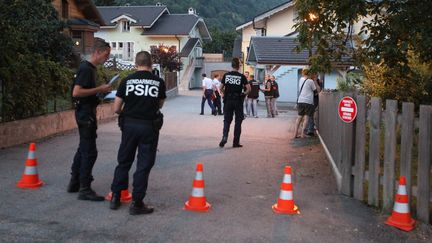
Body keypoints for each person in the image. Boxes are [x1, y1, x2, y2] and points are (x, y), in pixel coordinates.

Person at [110, 51, 166, 215]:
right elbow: (160, 104)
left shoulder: (126, 81)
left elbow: (116, 108)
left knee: (124, 161)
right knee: (143, 164)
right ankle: (137, 202)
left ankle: (115, 197)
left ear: (136, 63)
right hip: (148, 127)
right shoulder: (158, 82)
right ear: (151, 64)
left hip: (129, 126)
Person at [67, 38, 112, 201]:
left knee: (83, 148)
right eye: (106, 55)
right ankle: (85, 188)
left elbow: (84, 91)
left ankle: (75, 182)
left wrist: (99, 92)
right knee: (89, 152)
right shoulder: (86, 68)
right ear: (97, 52)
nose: (106, 59)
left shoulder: (89, 68)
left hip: (85, 112)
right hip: (85, 114)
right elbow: (77, 92)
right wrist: (100, 88)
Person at [219, 58, 251, 148]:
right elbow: (249, 89)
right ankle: (235, 142)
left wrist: (222, 94)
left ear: (232, 65)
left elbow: (220, 88)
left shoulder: (226, 75)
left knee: (227, 120)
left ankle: (224, 137)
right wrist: (243, 94)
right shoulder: (242, 77)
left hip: (228, 100)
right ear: (239, 66)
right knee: (238, 121)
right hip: (238, 100)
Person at [293, 70, 321, 138]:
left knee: (299, 117)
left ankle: (295, 134)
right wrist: (314, 81)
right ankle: (302, 134)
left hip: (300, 101)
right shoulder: (310, 81)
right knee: (306, 118)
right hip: (308, 101)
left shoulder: (301, 79)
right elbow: (317, 91)